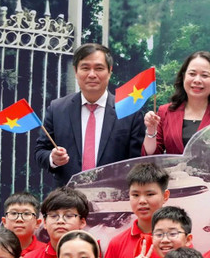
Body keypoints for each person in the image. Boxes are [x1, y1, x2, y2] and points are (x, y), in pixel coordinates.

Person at [34, 43, 146, 186]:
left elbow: (137, 162)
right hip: (67, 199)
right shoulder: (57, 109)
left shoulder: (129, 111)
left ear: (109, 71)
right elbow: (40, 151)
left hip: (113, 197)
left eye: (99, 68)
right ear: (75, 71)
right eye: (85, 68)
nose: (92, 75)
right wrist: (53, 158)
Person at [143, 50, 210, 155]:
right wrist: (151, 130)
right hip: (172, 172)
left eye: (204, 75)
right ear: (184, 77)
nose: (197, 80)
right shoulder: (164, 112)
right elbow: (151, 156)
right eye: (192, 74)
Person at [20, 187, 106, 258]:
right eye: (54, 216)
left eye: (69, 216)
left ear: (82, 222)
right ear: (44, 222)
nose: (60, 221)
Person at [103, 163, 170, 258]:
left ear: (165, 196)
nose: (142, 201)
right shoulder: (117, 243)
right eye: (135, 195)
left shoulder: (176, 241)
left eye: (150, 194)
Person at [0, 192, 44, 257]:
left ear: (37, 223)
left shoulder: (45, 251)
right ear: (4, 222)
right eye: (14, 213)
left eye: (26, 214)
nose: (19, 219)